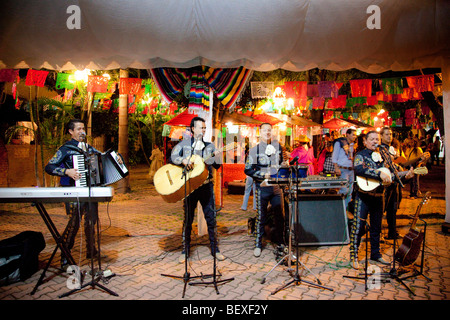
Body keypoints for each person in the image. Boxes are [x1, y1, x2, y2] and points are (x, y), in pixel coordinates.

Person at [45, 119, 122, 270]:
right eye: (79, 129)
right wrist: (66, 171)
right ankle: (65, 256)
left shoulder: (88, 148)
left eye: (83, 129)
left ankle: (91, 250)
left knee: (91, 221)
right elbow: (49, 167)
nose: (82, 131)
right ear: (71, 132)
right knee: (74, 223)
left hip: (90, 191)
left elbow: (103, 158)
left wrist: (117, 157)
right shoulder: (65, 149)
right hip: (73, 192)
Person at [350, 131, 413, 269]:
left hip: (379, 196)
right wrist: (378, 173)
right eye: (371, 139)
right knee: (358, 226)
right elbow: (359, 169)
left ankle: (375, 254)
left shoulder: (384, 156)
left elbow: (394, 173)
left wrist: (406, 176)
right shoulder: (360, 155)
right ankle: (353, 255)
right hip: (363, 195)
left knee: (377, 227)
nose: (374, 141)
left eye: (376, 139)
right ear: (365, 141)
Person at [170, 116, 225, 263]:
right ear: (193, 129)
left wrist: (218, 157)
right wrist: (183, 160)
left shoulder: (210, 146)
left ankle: (215, 249)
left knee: (211, 219)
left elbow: (218, 166)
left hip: (206, 186)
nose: (204, 130)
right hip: (190, 187)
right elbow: (173, 156)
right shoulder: (184, 144)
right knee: (188, 220)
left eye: (205, 127)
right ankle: (185, 250)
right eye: (201, 127)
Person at [244, 123, 287, 257]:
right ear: (260, 132)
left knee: (279, 215)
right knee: (261, 216)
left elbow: (280, 164)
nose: (267, 132)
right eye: (265, 130)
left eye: (269, 130)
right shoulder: (254, 150)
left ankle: (281, 242)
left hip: (276, 187)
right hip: (261, 187)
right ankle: (258, 243)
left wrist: (283, 166)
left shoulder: (278, 146)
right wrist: (263, 175)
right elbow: (248, 169)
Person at [379, 127, 402, 240]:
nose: (389, 136)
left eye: (391, 134)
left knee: (393, 209)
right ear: (381, 136)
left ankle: (392, 232)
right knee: (381, 209)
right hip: (384, 184)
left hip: (394, 183)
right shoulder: (380, 149)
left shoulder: (392, 149)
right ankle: (377, 234)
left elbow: (398, 163)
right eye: (387, 134)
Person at [332, 128, 357, 211]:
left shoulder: (352, 144)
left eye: (355, 135)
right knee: (344, 189)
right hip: (342, 169)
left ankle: (345, 209)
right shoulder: (339, 143)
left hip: (351, 169)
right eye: (353, 134)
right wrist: (336, 167)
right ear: (347, 134)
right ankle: (337, 206)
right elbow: (334, 156)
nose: (354, 136)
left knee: (350, 191)